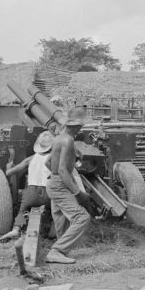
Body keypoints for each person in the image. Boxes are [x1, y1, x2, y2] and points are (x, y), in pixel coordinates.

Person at [44, 112, 94, 264]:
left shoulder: (58, 138)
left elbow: (48, 162)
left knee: (60, 218)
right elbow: (62, 170)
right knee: (82, 217)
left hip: (54, 182)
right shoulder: (68, 140)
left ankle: (62, 247)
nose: (81, 130)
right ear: (76, 127)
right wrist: (78, 192)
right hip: (60, 184)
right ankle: (57, 251)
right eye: (80, 127)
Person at [2, 130, 55, 242]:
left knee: (22, 209)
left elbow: (10, 173)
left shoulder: (30, 159)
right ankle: (53, 229)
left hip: (31, 193)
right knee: (57, 207)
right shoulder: (53, 158)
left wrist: (9, 166)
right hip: (47, 194)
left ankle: (16, 228)